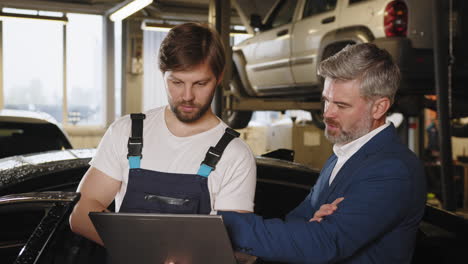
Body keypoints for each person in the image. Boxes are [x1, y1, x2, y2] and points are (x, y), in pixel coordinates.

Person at [219, 43, 426, 263]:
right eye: (326, 100)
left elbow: (325, 243)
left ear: (379, 107)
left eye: (341, 105)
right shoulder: (342, 155)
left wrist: (222, 224)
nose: (327, 113)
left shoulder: (393, 170)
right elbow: (297, 222)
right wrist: (308, 232)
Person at [69, 22, 256, 245]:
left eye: (200, 83)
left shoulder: (235, 155)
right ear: (162, 73)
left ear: (219, 77)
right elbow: (82, 213)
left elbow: (231, 242)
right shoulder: (126, 132)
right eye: (176, 82)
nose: (187, 96)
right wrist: (145, 252)